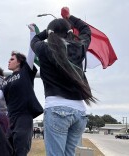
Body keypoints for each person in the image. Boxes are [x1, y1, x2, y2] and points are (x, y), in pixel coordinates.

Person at [30, 7, 97, 156]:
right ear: (70, 32)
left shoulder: (44, 48)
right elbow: (86, 30)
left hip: (56, 108)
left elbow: (34, 40)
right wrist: (69, 17)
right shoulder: (79, 47)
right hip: (80, 112)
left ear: (50, 33)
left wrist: (46, 33)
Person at [0, 25, 43, 155]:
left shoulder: (26, 70)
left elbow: (31, 52)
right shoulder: (8, 79)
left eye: (12, 59)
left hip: (24, 117)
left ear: (19, 62)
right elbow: (0, 94)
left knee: (20, 150)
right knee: (8, 150)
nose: (8, 61)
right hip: (11, 118)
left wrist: (32, 33)